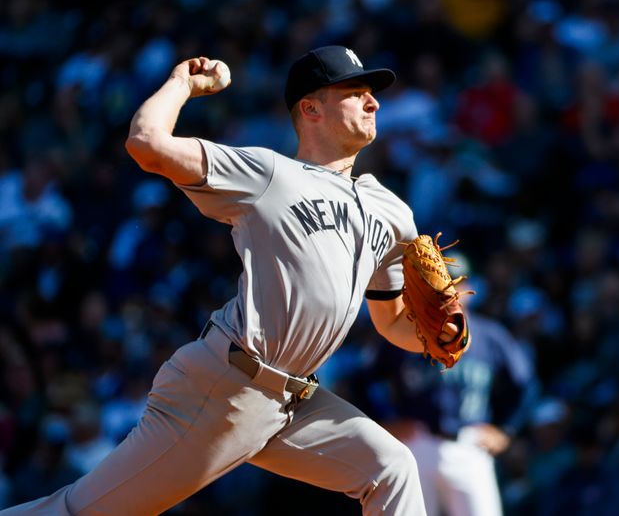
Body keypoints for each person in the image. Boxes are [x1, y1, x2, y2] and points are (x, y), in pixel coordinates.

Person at [2, 45, 464, 515]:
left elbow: (393, 324)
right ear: (310, 108)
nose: (374, 102)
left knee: (392, 468)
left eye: (372, 94)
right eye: (355, 91)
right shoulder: (268, 173)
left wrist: (443, 332)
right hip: (224, 387)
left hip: (293, 402)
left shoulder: (392, 212)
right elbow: (145, 143)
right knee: (82, 512)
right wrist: (182, 83)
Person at [368, 270, 536, 516]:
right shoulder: (405, 330)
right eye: (440, 282)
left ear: (469, 287)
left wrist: (505, 429)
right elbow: (365, 382)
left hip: (469, 444)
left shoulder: (490, 335)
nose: (448, 290)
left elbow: (524, 385)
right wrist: (384, 422)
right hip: (416, 444)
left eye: (456, 282)